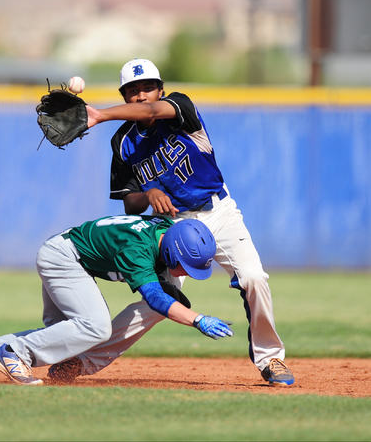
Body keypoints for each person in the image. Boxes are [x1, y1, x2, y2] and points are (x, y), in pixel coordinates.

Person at [50, 58, 294, 386]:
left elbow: (152, 113)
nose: (141, 96)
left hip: (218, 213)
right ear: (125, 96)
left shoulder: (180, 107)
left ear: (160, 89)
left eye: (148, 87)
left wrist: (100, 114)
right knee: (157, 300)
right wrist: (148, 192)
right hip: (171, 227)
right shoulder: (122, 142)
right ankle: (83, 362)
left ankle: (271, 360)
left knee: (253, 277)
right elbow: (130, 203)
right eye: (133, 91)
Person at [0, 215, 234, 385]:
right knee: (95, 326)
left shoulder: (165, 231)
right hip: (64, 258)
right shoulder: (138, 250)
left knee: (60, 336)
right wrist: (198, 320)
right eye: (187, 265)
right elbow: (154, 298)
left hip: (66, 252)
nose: (188, 272)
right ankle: (15, 353)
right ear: (173, 253)